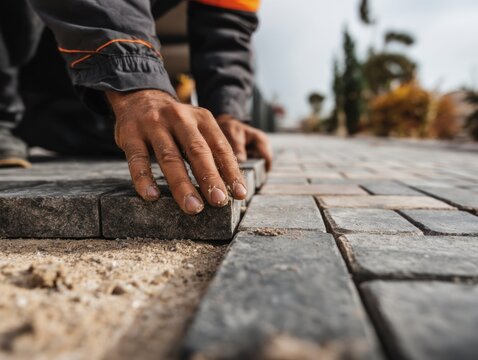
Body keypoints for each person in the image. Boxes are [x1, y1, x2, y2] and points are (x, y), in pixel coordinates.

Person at [0, 0, 272, 215]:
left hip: (68, 76)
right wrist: (137, 85)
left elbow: (225, 24)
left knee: (147, 140)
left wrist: (226, 110)